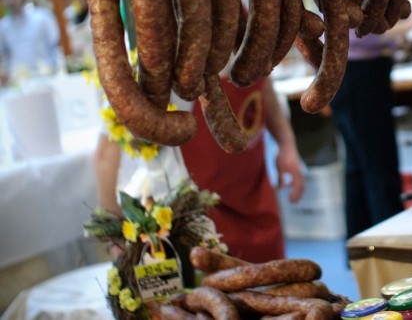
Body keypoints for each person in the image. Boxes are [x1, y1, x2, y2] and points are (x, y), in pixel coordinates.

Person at [94, 75, 306, 263]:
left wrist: (286, 144)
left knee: (274, 294)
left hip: (256, 200)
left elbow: (264, 86)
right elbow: (107, 150)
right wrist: (115, 230)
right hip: (195, 217)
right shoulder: (150, 59)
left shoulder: (250, 33)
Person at [330, 0, 412, 239]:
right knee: (378, 165)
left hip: (347, 74)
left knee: (359, 165)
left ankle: (361, 244)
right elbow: (367, 33)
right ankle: (392, 242)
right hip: (362, 75)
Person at [0, 0, 62, 83]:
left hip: (46, 78)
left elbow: (55, 45)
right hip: (18, 82)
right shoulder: (2, 26)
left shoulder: (42, 17)